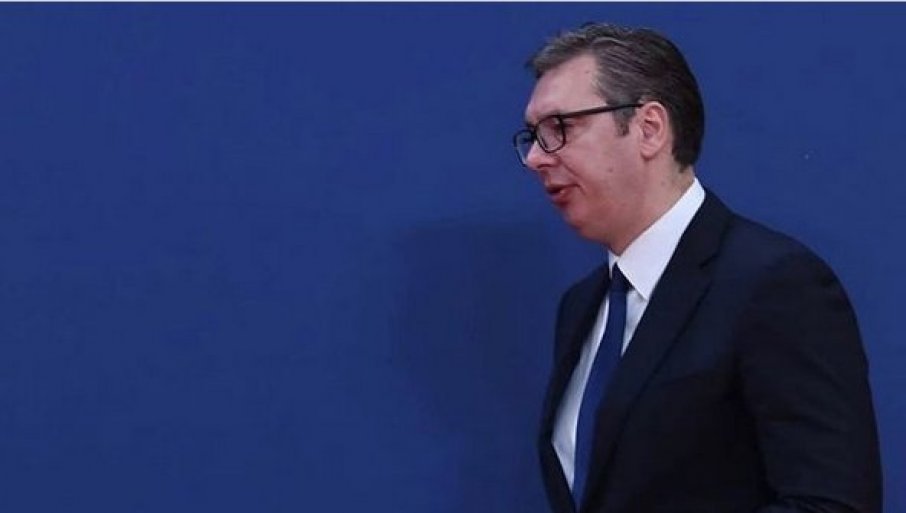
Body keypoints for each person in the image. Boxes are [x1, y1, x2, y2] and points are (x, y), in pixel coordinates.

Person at [513, 22, 882, 513]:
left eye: (560, 128)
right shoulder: (581, 306)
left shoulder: (774, 284)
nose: (535, 158)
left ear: (649, 128)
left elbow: (832, 504)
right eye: (533, 136)